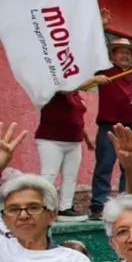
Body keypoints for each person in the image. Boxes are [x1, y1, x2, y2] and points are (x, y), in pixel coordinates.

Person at [90, 38, 132, 219]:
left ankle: (127, 203)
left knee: (130, 168)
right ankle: (99, 205)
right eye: (121, 52)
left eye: (128, 53)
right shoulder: (104, 72)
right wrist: (95, 78)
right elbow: (82, 70)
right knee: (104, 165)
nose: (125, 55)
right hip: (110, 126)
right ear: (112, 55)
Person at [34, 89, 94, 222]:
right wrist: (94, 78)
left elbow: (77, 119)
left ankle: (65, 209)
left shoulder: (76, 95)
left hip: (74, 141)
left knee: (70, 177)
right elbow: (64, 88)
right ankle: (41, 208)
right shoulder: (56, 89)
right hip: (51, 139)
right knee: (49, 174)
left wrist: (87, 139)